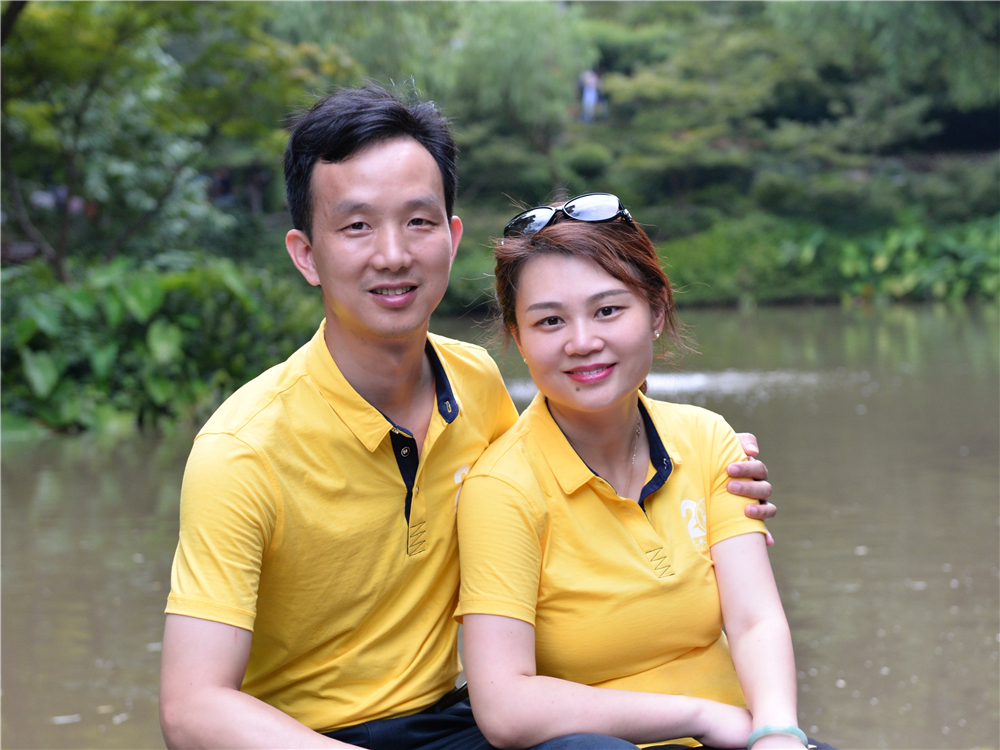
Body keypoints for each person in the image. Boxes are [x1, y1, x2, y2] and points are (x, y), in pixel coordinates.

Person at [158, 88, 777, 750]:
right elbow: (192, 709)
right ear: (306, 254)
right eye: (357, 226)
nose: (393, 254)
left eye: (418, 221)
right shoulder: (242, 451)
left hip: (456, 719)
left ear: (452, 240)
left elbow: (570, 463)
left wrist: (703, 462)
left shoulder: (474, 381)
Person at [456, 195, 833, 750]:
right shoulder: (503, 489)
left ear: (656, 312)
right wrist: (700, 717)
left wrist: (776, 731)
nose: (582, 342)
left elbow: (754, 619)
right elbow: (505, 707)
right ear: (518, 337)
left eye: (607, 310)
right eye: (550, 321)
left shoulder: (708, 439)